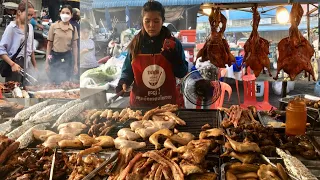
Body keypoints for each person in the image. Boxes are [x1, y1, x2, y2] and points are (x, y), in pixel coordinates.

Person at [116, 1, 188, 108]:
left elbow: (182, 73)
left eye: (156, 21)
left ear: (162, 21)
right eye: (147, 21)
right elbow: (127, 71)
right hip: (140, 105)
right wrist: (124, 81)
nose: (151, 25)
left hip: (167, 105)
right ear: (142, 21)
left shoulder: (173, 44)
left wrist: (175, 59)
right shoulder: (136, 44)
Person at [0, 1, 37, 84]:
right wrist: (12, 64)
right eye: (28, 14)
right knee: (14, 90)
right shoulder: (11, 28)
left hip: (27, 64)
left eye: (31, 15)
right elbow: (1, 50)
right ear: (19, 12)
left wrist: (35, 66)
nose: (30, 17)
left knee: (27, 91)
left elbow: (31, 50)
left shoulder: (30, 27)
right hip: (15, 64)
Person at [46, 5, 78, 84]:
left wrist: (75, 64)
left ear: (71, 15)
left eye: (67, 13)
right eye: (63, 12)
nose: (65, 15)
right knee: (54, 80)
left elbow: (75, 47)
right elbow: (49, 45)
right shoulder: (53, 26)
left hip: (67, 57)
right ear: (60, 13)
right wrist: (47, 61)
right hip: (54, 56)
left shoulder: (73, 29)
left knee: (66, 81)